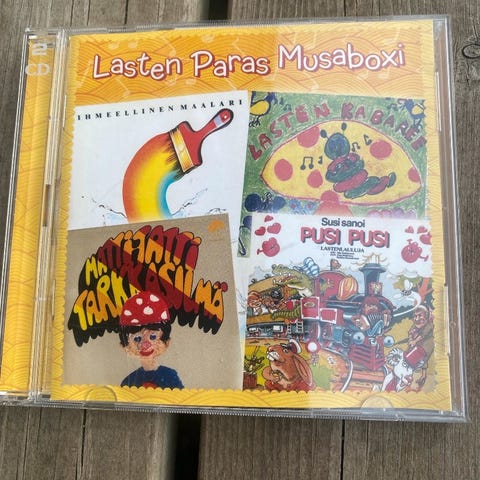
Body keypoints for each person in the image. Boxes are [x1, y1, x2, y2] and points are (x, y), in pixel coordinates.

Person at [119, 291, 184, 389]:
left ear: (166, 342)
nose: (145, 344)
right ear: (126, 346)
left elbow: (181, 397)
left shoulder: (170, 377)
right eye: (137, 338)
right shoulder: (129, 382)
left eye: (153, 337)